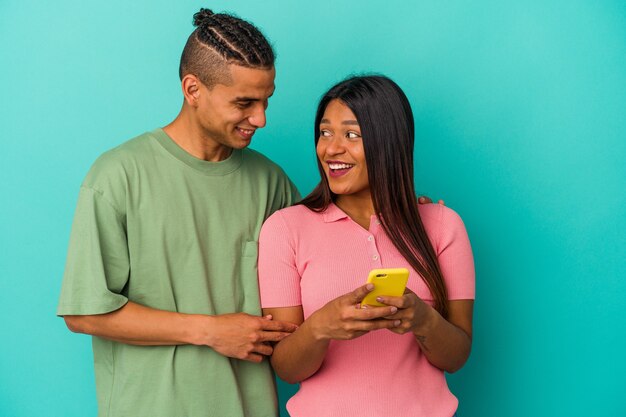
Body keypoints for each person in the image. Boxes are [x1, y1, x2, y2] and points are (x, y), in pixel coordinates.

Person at [56, 9, 300, 417]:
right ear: (193, 89)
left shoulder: (271, 182)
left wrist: (391, 209)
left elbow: (328, 251)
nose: (261, 118)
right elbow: (84, 312)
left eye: (265, 101)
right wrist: (209, 330)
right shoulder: (117, 175)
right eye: (244, 102)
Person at [258, 75, 475, 417]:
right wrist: (320, 328)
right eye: (325, 132)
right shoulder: (285, 229)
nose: (331, 149)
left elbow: (458, 355)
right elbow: (286, 367)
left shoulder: (444, 225)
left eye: (351, 134)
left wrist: (424, 321)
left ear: (389, 142)